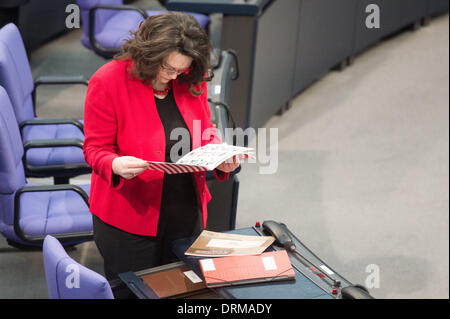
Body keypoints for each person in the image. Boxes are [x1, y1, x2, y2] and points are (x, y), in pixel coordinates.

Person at [83, 12, 240, 287]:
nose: (172, 76)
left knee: (182, 289)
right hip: (130, 217)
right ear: (148, 54)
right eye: (167, 68)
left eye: (180, 70)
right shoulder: (108, 81)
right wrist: (115, 164)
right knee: (135, 292)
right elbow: (95, 148)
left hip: (185, 211)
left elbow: (204, 131)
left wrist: (219, 156)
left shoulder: (191, 78)